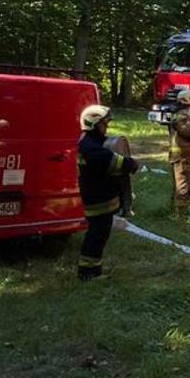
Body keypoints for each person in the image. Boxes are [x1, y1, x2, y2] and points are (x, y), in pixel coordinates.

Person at [77, 105, 139, 281]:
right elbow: (118, 163)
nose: (107, 127)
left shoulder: (88, 143)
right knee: (96, 235)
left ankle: (94, 269)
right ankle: (87, 273)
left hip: (98, 196)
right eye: (104, 124)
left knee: (99, 234)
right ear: (93, 124)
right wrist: (131, 163)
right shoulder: (91, 148)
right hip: (97, 199)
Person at [166, 88, 190, 218]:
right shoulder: (182, 115)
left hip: (181, 153)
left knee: (182, 181)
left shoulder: (178, 113)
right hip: (182, 154)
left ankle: (176, 208)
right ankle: (181, 213)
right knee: (184, 182)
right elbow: (186, 131)